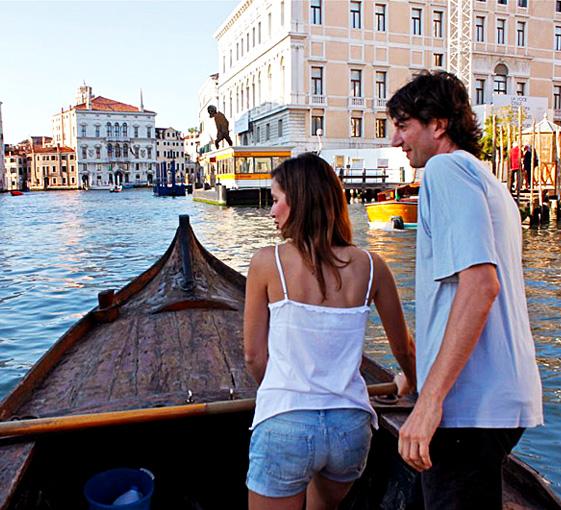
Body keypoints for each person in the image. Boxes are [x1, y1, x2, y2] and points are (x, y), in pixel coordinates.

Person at [387, 70, 543, 509]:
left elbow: (479, 286)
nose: (398, 141)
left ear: (437, 124)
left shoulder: (446, 169)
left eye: (403, 125)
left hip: (468, 406)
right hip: (498, 397)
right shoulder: (487, 179)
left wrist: (430, 401)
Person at [243, 153, 416, 510]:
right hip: (349, 428)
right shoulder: (372, 266)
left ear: (299, 201)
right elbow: (404, 349)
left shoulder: (266, 263)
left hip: (286, 423)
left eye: (276, 200)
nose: (272, 211)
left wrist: (277, 391)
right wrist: (409, 383)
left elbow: (253, 357)